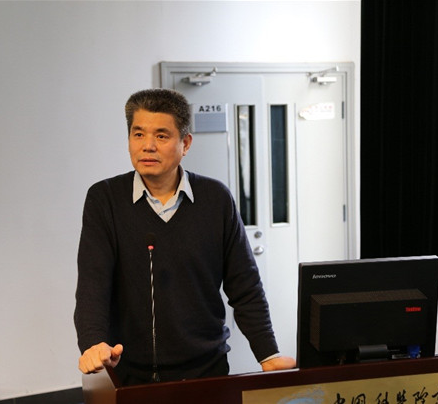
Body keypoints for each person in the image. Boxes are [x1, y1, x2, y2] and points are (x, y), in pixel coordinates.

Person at [74, 88, 295, 385]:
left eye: (161, 136)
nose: (148, 146)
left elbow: (245, 287)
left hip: (206, 372)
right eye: (138, 134)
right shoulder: (105, 199)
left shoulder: (215, 199)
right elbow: (93, 285)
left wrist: (268, 353)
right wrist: (93, 343)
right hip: (128, 374)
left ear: (185, 143)